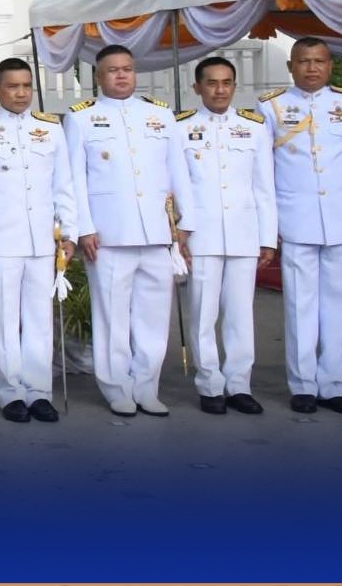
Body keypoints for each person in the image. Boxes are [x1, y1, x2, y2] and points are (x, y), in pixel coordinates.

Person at [63, 44, 194, 417]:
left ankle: (146, 385)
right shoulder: (82, 118)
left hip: (155, 233)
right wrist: (83, 228)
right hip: (108, 235)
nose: (121, 76)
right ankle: (117, 386)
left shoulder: (159, 115)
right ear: (98, 77)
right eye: (112, 70)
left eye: (127, 69)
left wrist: (186, 222)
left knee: (154, 317)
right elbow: (75, 179)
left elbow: (177, 172)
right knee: (112, 317)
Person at [0, 58, 75, 424]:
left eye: (26, 85)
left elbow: (64, 186)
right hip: (0, 240)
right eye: (13, 86)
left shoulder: (51, 129)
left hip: (43, 240)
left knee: (39, 320)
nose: (21, 93)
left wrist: (68, 232)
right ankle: (10, 393)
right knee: (6, 321)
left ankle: (39, 392)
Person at [177, 56, 276, 415]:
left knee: (240, 315)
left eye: (226, 83)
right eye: (211, 83)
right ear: (197, 87)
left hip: (243, 232)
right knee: (202, 313)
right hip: (201, 235)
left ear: (234, 86)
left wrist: (268, 238)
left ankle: (238, 384)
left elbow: (265, 188)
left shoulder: (253, 127)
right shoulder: (181, 128)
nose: (219, 90)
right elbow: (177, 186)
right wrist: (180, 232)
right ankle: (210, 385)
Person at [255, 36, 342, 415]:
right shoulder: (271, 108)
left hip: (340, 220)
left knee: (339, 305)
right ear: (291, 66)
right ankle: (304, 384)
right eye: (304, 61)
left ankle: (335, 382)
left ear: (329, 66)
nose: (312, 68)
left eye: (319, 61)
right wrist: (268, 227)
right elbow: (261, 173)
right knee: (300, 305)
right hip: (296, 221)